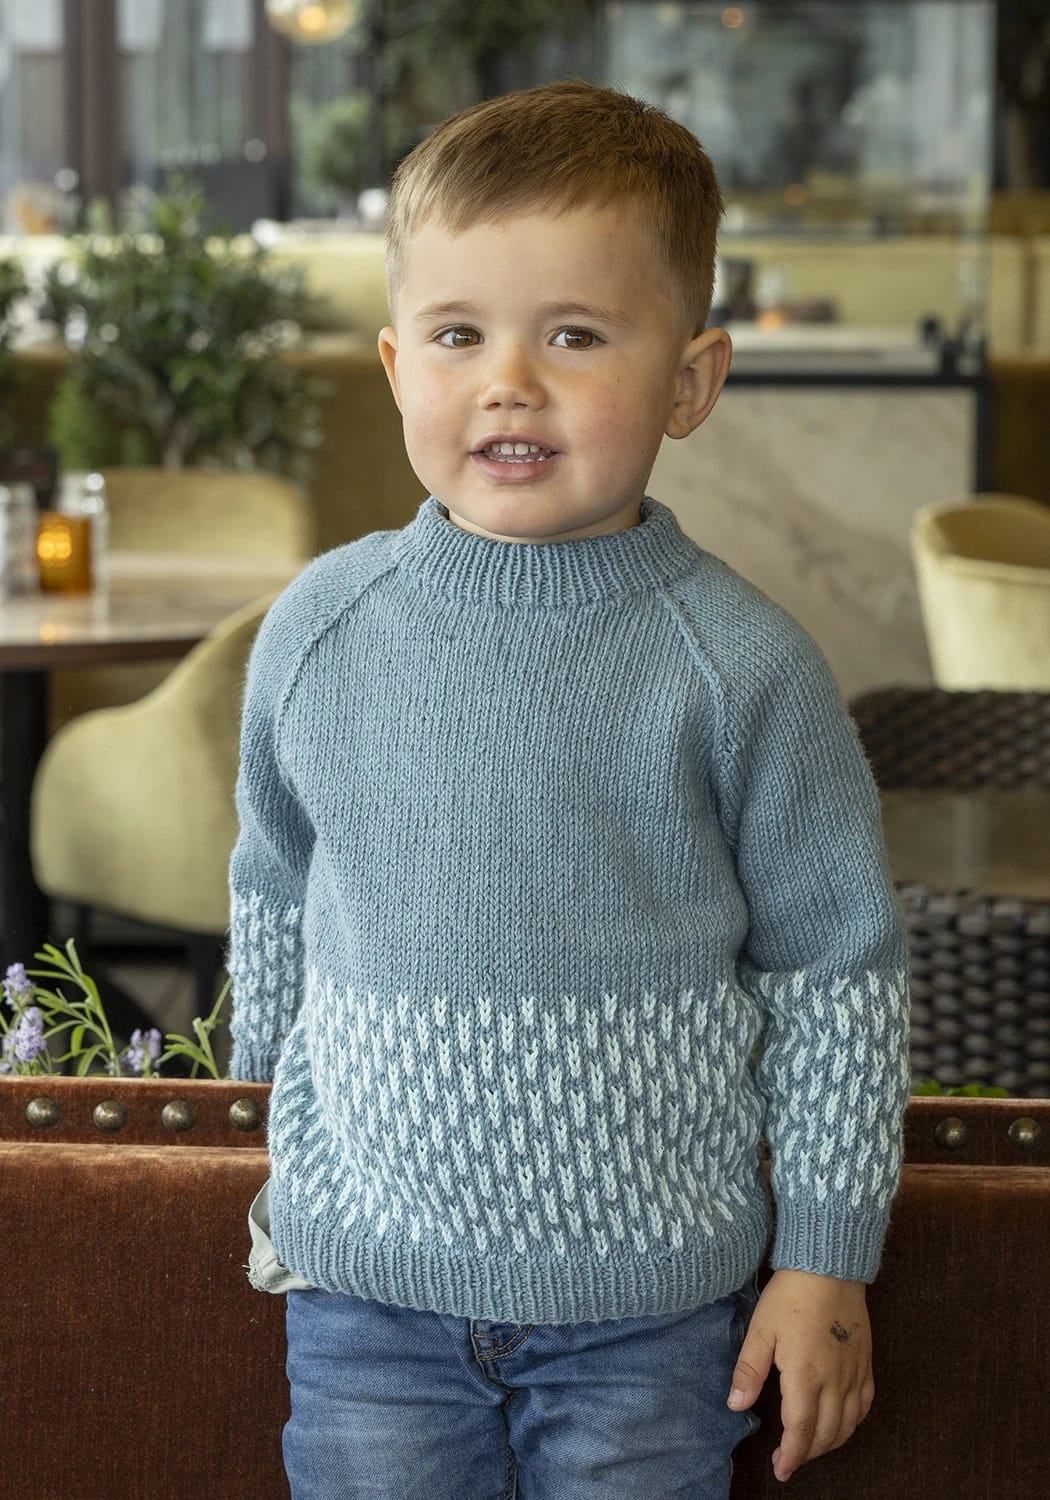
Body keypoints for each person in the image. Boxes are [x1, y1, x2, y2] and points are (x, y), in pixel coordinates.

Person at [228, 80, 910, 1500]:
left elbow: (836, 976)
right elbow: (275, 884)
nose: (509, 382)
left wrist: (825, 1264)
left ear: (691, 382)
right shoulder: (318, 630)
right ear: (395, 365)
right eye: (457, 334)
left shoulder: (739, 664)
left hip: (652, 1321)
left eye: (575, 335)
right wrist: (253, 1115)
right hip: (363, 1301)